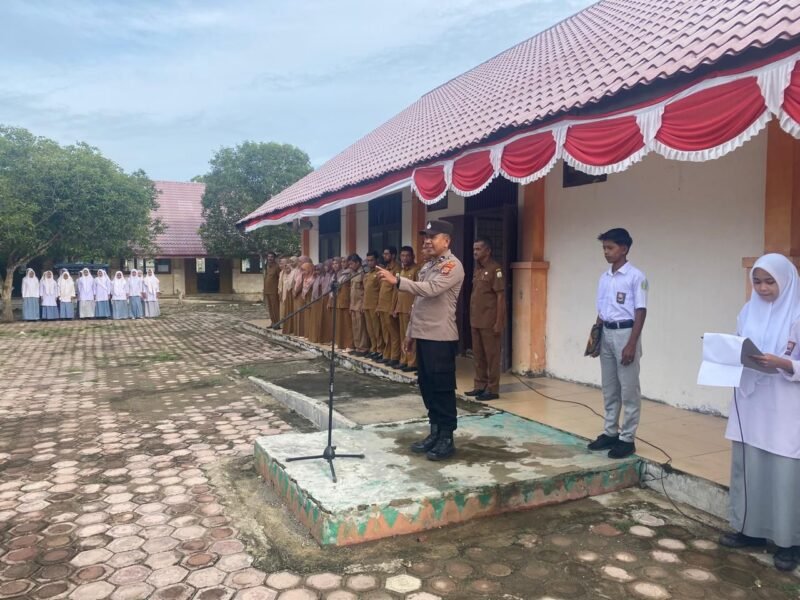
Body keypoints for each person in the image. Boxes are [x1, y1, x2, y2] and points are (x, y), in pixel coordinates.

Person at [718, 254, 800, 571]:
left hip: (785, 408)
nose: (763, 288)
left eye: (770, 282)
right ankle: (748, 531)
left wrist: (782, 364)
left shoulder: (797, 314)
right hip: (750, 403)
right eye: (757, 281)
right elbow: (741, 344)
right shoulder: (747, 311)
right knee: (750, 467)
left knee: (783, 475)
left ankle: (789, 542)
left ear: (786, 280)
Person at [377, 220, 465, 461]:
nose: (427, 240)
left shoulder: (452, 265)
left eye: (433, 236)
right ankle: (434, 432)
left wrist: (398, 281)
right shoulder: (427, 267)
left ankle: (447, 436)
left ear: (446, 241)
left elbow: (431, 290)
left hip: (440, 336)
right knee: (426, 386)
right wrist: (409, 334)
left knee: (443, 388)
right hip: (423, 335)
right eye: (426, 235)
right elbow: (418, 304)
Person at [587, 228, 648, 460]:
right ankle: (610, 432)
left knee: (629, 388)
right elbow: (601, 310)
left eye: (610, 248)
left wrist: (632, 343)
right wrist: (595, 338)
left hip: (626, 333)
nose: (606, 252)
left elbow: (640, 311)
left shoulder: (636, 277)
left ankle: (627, 438)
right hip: (607, 333)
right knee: (610, 387)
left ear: (624, 249)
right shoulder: (605, 277)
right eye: (604, 248)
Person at [466, 238, 506, 401]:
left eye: (479, 249)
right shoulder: (478, 270)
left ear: (487, 251)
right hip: (476, 320)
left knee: (492, 356)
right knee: (478, 355)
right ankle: (480, 385)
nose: (475, 252)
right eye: (474, 249)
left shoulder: (495, 269)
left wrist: (499, 321)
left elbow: (500, 296)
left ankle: (492, 388)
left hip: (489, 321)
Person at [394, 246, 421, 372]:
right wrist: (396, 307)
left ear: (413, 257)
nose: (405, 258)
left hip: (411, 308)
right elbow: (398, 291)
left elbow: (418, 290)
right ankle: (404, 360)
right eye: (403, 255)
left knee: (411, 337)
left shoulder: (416, 270)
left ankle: (412, 362)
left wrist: (414, 307)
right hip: (401, 308)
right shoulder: (401, 271)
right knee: (403, 336)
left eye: (407, 255)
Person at [377, 246, 401, 367]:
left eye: (387, 254)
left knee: (394, 334)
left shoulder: (397, 269)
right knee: (385, 333)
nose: (384, 256)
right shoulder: (385, 269)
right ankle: (387, 354)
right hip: (382, 306)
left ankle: (395, 356)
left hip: (389, 307)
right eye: (384, 254)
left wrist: (393, 307)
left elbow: (396, 291)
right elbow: (382, 289)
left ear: (393, 255)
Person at [348, 254, 369, 356]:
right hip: (353, 305)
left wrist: (363, 305)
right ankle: (357, 347)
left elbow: (365, 290)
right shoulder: (353, 274)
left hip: (360, 304)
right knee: (355, 328)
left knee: (361, 328)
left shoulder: (363, 273)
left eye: (352, 264)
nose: (350, 266)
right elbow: (351, 292)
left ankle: (363, 348)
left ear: (357, 263)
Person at [364, 251, 384, 361]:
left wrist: (378, 306)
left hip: (375, 305)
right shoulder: (368, 273)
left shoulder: (380, 273)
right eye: (368, 260)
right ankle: (374, 348)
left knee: (377, 330)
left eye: (371, 260)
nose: (369, 262)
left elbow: (381, 290)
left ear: (376, 260)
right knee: (370, 330)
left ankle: (380, 350)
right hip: (367, 305)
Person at [331, 257, 354, 350]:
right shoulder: (338, 274)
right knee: (339, 324)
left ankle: (349, 345)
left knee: (347, 325)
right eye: (334, 263)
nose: (343, 264)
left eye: (344, 262)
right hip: (339, 301)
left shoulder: (349, 273)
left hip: (346, 301)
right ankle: (340, 343)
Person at [264, 252, 281, 325]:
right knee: (270, 308)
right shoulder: (267, 266)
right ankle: (272, 322)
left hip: (274, 291)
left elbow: (280, 278)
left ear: (274, 258)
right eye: (268, 257)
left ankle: (277, 323)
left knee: (275, 308)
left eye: (271, 257)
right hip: (267, 290)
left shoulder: (277, 267)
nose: (270, 258)